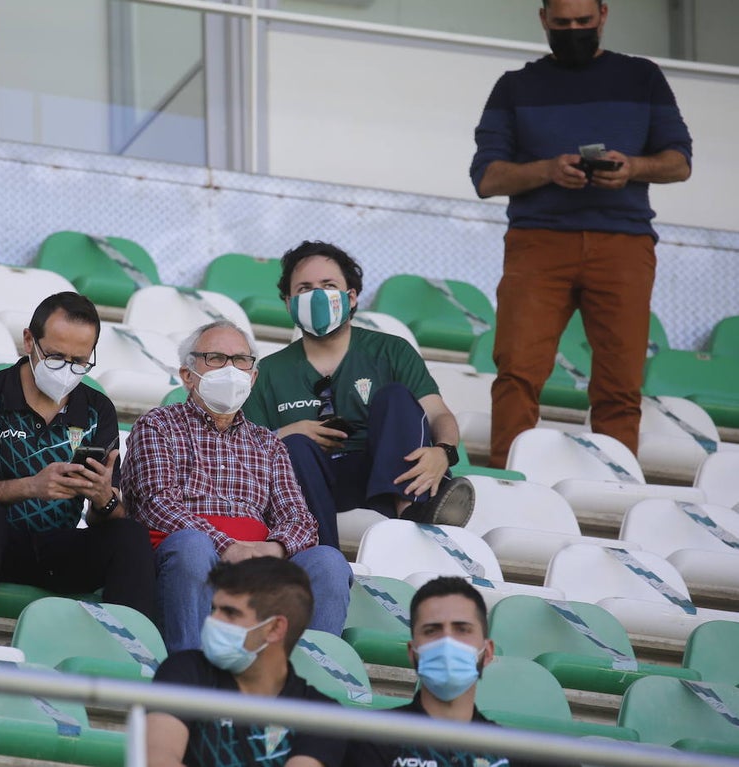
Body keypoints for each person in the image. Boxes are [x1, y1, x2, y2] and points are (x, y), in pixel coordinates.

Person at [471, 0, 693, 469]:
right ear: (543, 19)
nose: (574, 30)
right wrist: (548, 170)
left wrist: (633, 167)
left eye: (583, 23)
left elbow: (679, 161)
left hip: (623, 244)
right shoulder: (516, 86)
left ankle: (616, 486)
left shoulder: (643, 77)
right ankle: (504, 480)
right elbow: (487, 178)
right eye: (563, 23)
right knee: (517, 371)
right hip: (538, 243)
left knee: (620, 381)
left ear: (604, 16)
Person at [0, 291, 155, 642]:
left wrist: (102, 497)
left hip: (55, 550)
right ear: (29, 341)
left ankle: (131, 655)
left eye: (79, 361)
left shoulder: (97, 409)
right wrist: (30, 486)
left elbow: (103, 518)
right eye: (56, 356)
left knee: (130, 535)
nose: (67, 369)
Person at [123, 319, 352, 653]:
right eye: (215, 358)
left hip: (259, 564)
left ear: (253, 376)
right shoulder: (157, 425)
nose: (230, 369)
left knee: (329, 562)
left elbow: (300, 521)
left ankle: (305, 684)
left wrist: (273, 550)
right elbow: (156, 504)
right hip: (188, 560)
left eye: (241, 360)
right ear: (187, 375)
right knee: (193, 546)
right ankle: (190, 675)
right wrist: (227, 545)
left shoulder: (268, 444)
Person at [242, 241, 474, 550]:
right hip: (307, 482)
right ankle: (322, 555)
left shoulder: (391, 351)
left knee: (395, 397)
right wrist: (287, 432)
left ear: (351, 297)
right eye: (305, 289)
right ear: (288, 302)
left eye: (328, 285)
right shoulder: (268, 371)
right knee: (294, 445)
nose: (318, 296)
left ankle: (411, 510)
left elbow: (437, 413)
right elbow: (242, 447)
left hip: (381, 470)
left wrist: (443, 452)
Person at [147, 557, 348, 767]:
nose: (213, 620)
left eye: (230, 613)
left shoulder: (321, 713)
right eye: (214, 608)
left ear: (274, 629)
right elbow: (158, 761)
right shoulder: (183, 671)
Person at [346, 576, 565, 767]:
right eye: (432, 630)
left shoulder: (522, 755)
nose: (447, 642)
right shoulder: (368, 740)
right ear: (413, 653)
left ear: (487, 652)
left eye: (462, 630)